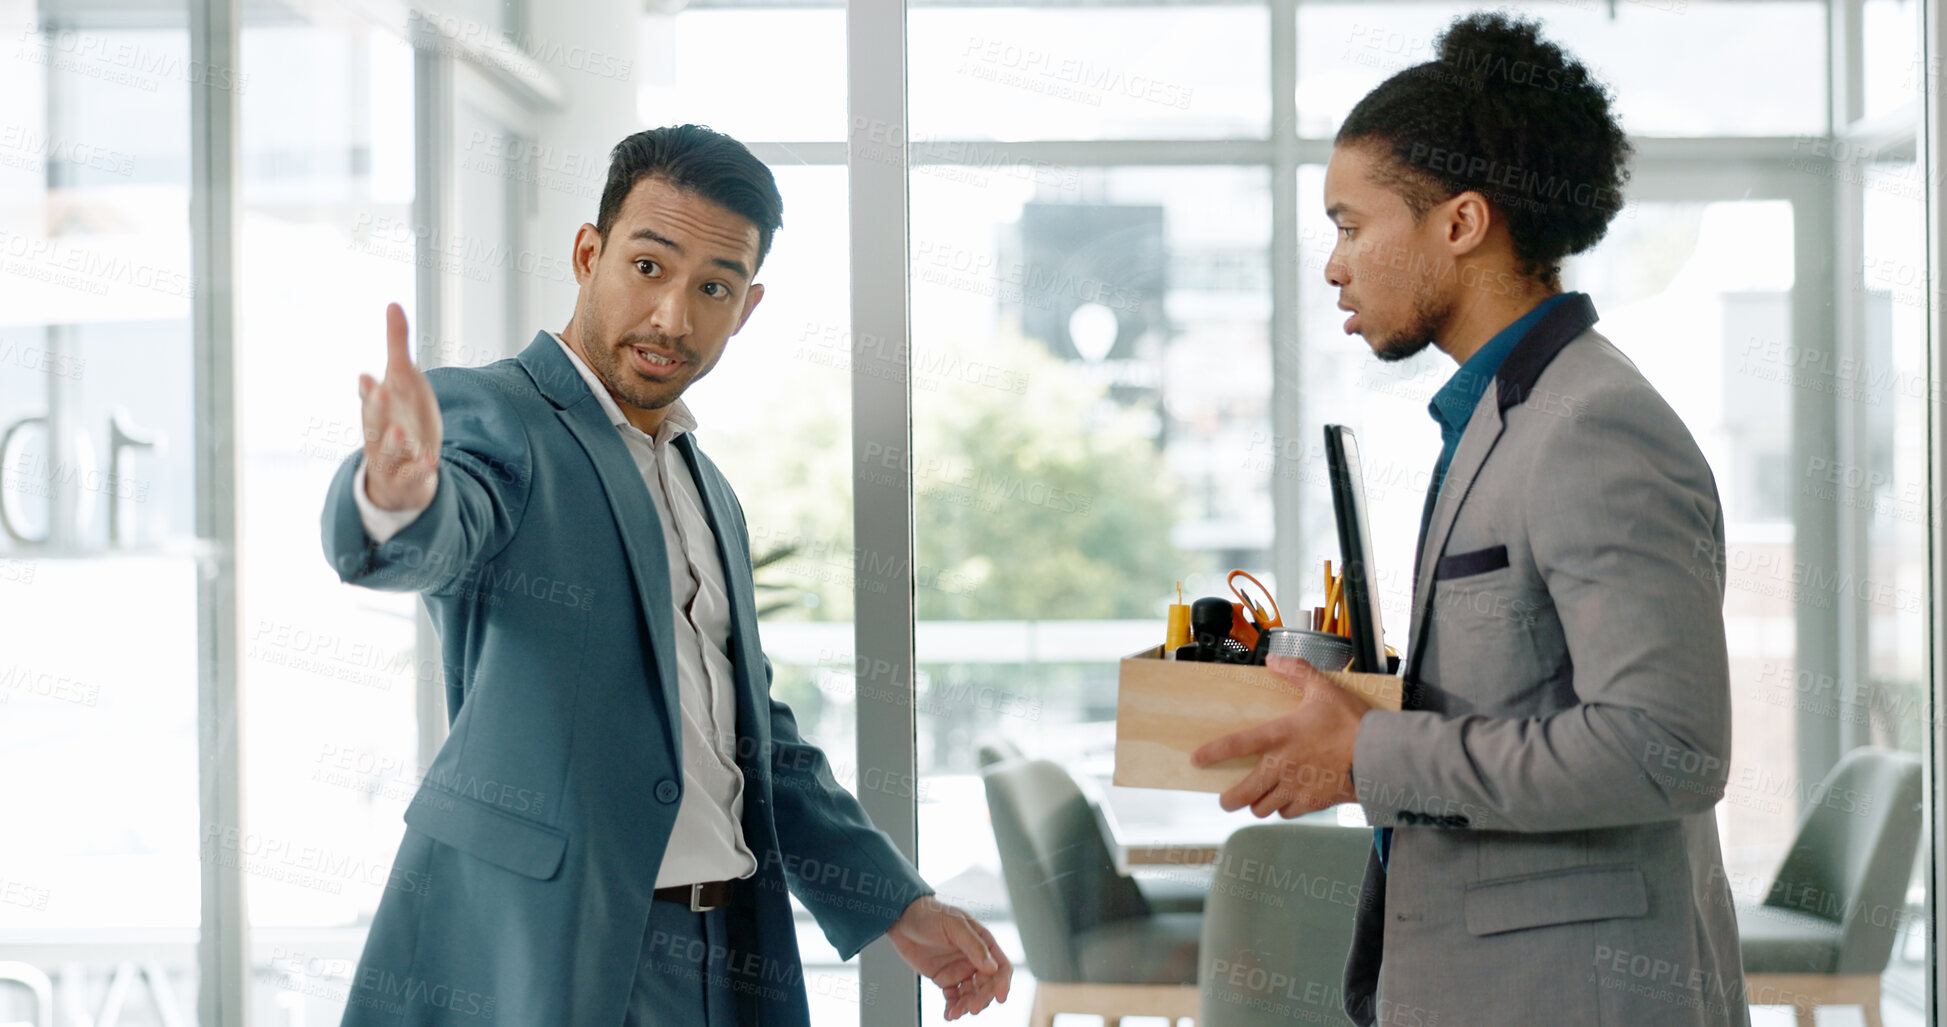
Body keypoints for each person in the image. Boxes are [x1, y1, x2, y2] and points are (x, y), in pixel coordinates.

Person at [321, 124, 1011, 1025]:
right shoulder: (496, 417)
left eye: (713, 287)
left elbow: (750, 735)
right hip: (557, 946)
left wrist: (895, 901)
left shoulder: (704, 483)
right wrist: (395, 492)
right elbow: (439, 531)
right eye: (649, 267)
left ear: (747, 306)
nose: (672, 317)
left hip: (727, 956)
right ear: (588, 252)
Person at [1192, 13, 1748, 1026]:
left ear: (1459, 224)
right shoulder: (1501, 416)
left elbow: (1667, 746)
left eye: (1352, 226)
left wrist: (1368, 753)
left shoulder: (1595, 427)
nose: (1334, 266)